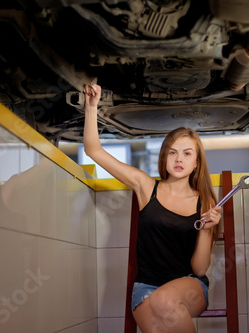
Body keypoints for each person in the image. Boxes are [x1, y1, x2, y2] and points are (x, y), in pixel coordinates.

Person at [83, 83, 222, 333]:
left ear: (196, 163)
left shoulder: (205, 202)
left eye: (187, 154)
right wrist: (92, 107)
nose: (179, 159)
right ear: (164, 158)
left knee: (164, 300)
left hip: (189, 285)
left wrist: (205, 229)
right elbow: (94, 150)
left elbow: (200, 269)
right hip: (146, 287)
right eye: (172, 153)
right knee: (158, 318)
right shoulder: (146, 187)